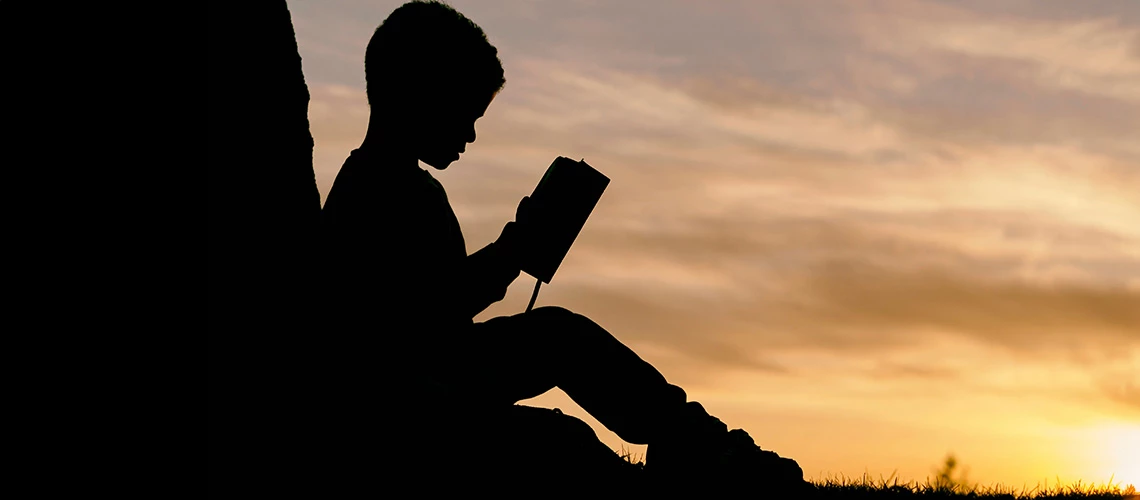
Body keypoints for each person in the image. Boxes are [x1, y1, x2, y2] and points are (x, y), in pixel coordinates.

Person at [319, 0, 806, 490]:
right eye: (464, 112)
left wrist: (513, 249)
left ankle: (699, 445)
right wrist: (513, 250)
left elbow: (438, 305)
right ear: (419, 93)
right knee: (563, 433)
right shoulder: (375, 190)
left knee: (559, 338)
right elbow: (420, 319)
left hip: (433, 380)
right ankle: (705, 458)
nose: (469, 135)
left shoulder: (400, 184)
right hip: (405, 406)